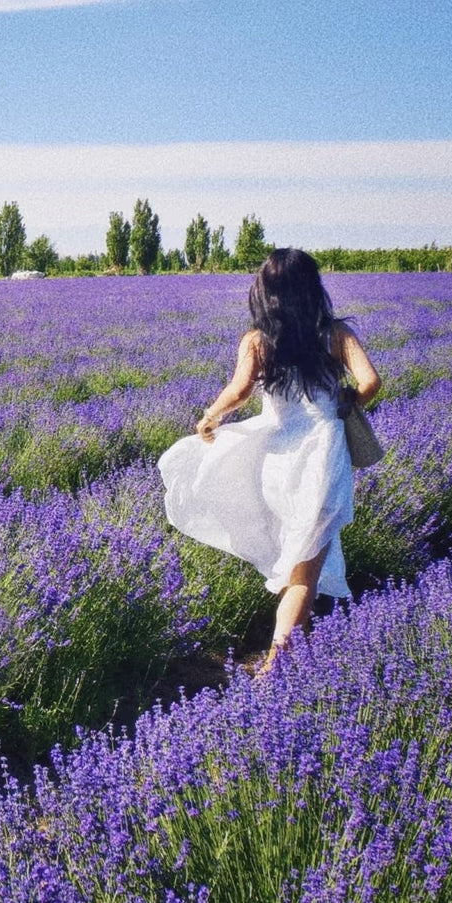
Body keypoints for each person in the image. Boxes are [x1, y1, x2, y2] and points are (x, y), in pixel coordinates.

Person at [158, 247, 380, 671]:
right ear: (313, 289)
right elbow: (370, 382)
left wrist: (209, 417)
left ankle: (296, 647)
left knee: (296, 558)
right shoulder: (336, 334)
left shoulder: (257, 341)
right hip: (321, 462)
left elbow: (239, 392)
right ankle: (276, 665)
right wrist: (347, 398)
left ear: (265, 292)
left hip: (276, 462)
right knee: (303, 571)